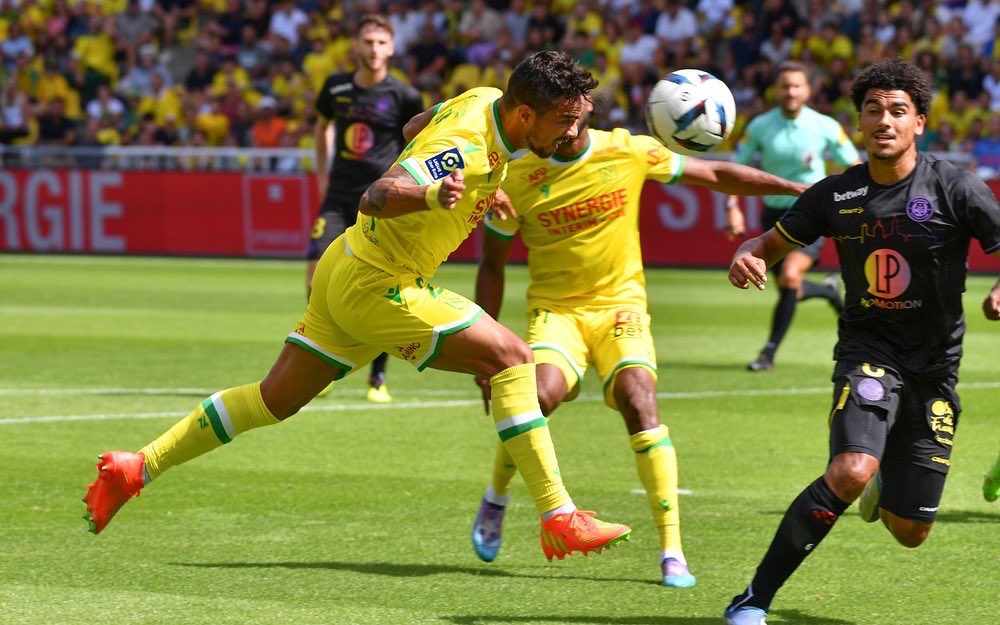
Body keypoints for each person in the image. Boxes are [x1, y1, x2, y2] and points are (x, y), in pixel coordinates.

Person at [84, 50, 636, 563]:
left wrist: (480, 187)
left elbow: (413, 128)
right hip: (382, 281)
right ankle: (559, 515)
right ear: (523, 115)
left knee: (271, 400)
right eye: (565, 120)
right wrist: (430, 192)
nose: (574, 133)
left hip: (344, 263)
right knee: (514, 359)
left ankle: (138, 467)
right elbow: (378, 193)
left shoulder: (482, 99)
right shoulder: (468, 147)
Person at [459, 102, 807, 587]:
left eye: (572, 114)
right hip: (557, 312)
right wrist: (488, 347)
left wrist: (797, 189)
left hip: (620, 308)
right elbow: (491, 265)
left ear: (585, 112)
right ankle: (496, 497)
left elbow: (715, 173)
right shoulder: (515, 177)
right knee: (537, 396)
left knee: (640, 401)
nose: (566, 125)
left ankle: (672, 551)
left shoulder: (628, 150)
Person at [723, 58, 1000, 625]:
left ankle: (880, 487)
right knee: (849, 469)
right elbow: (769, 243)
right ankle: (753, 600)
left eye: (898, 110)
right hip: (868, 354)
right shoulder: (835, 194)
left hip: (934, 370)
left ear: (919, 122)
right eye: (872, 110)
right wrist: (747, 251)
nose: (884, 120)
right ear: (857, 124)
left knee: (911, 532)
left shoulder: (955, 187)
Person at [310, 15, 424, 403]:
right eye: (367, 41)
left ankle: (377, 377)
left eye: (380, 42)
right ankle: (322, 364)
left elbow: (417, 145)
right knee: (316, 279)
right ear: (356, 46)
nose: (373, 49)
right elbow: (322, 126)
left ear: (391, 48)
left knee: (379, 287)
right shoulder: (336, 86)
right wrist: (322, 175)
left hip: (381, 202)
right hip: (339, 195)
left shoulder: (405, 96)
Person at [725, 61, 861, 372]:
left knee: (789, 277)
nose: (791, 92)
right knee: (791, 288)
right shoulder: (759, 126)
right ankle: (826, 290)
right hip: (772, 214)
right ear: (777, 89)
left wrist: (855, 200)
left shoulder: (825, 126)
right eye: (785, 86)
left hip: (812, 214)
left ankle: (768, 353)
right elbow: (735, 170)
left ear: (808, 90)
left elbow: (853, 165)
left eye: (797, 86)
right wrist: (731, 206)